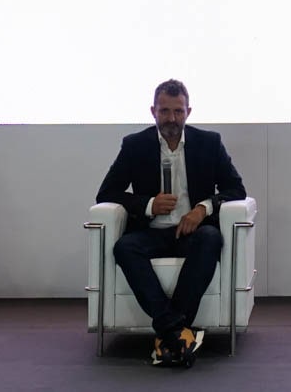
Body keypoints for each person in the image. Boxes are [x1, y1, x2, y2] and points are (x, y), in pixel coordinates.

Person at [95, 79, 248, 368]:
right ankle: (177, 331)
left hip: (192, 232)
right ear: (153, 111)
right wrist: (148, 205)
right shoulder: (135, 145)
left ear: (188, 112)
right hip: (152, 232)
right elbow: (106, 193)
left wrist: (203, 208)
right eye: (164, 111)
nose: (172, 119)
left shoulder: (209, 143)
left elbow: (236, 189)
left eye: (178, 111)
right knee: (125, 247)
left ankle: (168, 333)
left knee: (211, 238)